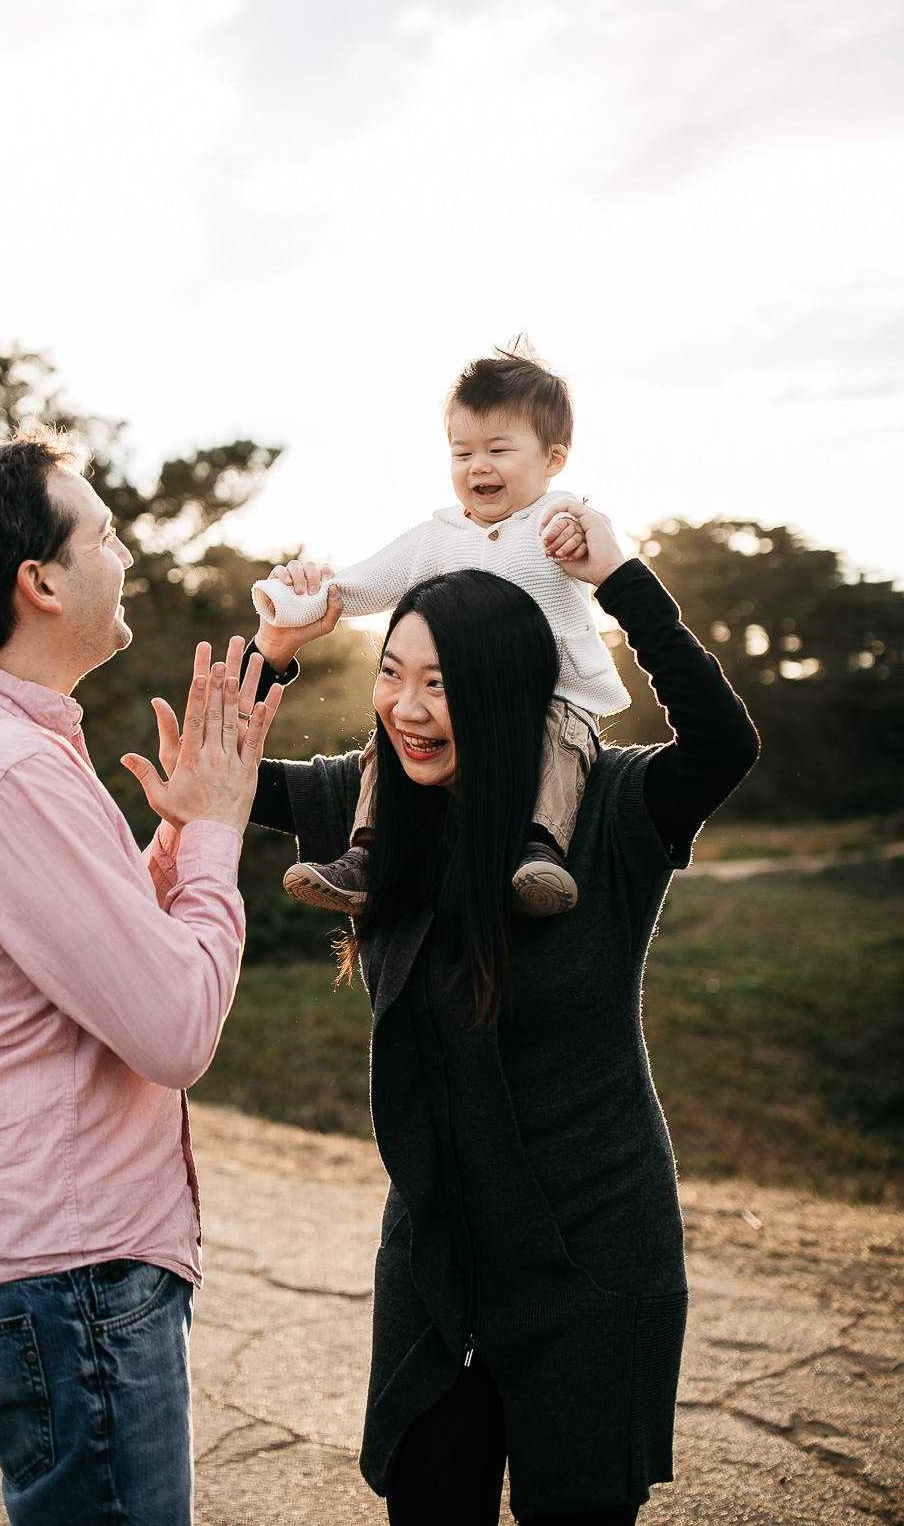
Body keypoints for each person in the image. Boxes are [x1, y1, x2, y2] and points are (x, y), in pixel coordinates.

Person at [234, 504, 759, 1523]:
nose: (408, 707)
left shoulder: (607, 806)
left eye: (443, 683)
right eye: (394, 672)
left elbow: (725, 743)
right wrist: (276, 650)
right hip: (437, 1248)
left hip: (593, 1247)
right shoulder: (370, 807)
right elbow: (226, 769)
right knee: (430, 1502)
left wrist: (624, 581)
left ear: (513, 688)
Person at [0, 426, 281, 1526]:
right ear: (40, 581)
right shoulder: (6, 767)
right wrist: (213, 839)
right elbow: (173, 1027)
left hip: (49, 1266)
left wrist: (165, 848)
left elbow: (76, 960)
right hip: (71, 1275)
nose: (125, 554)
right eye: (103, 533)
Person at [251, 342, 628, 921]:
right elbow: (368, 582)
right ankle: (367, 855)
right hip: (468, 720)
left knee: (560, 740)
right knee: (383, 745)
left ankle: (539, 850)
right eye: (462, 452)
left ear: (554, 458)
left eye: (499, 450)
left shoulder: (560, 520)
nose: (478, 466)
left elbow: (590, 551)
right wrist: (297, 607)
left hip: (554, 692)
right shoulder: (438, 538)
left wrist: (592, 548)